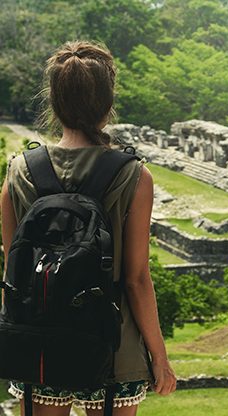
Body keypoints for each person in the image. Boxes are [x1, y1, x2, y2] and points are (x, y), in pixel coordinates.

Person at [0, 40, 177, 415]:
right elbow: (136, 278)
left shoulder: (19, 170)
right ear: (107, 103)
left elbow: (13, 269)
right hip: (112, 347)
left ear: (55, 100)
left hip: (38, 342)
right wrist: (158, 357)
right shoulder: (133, 175)